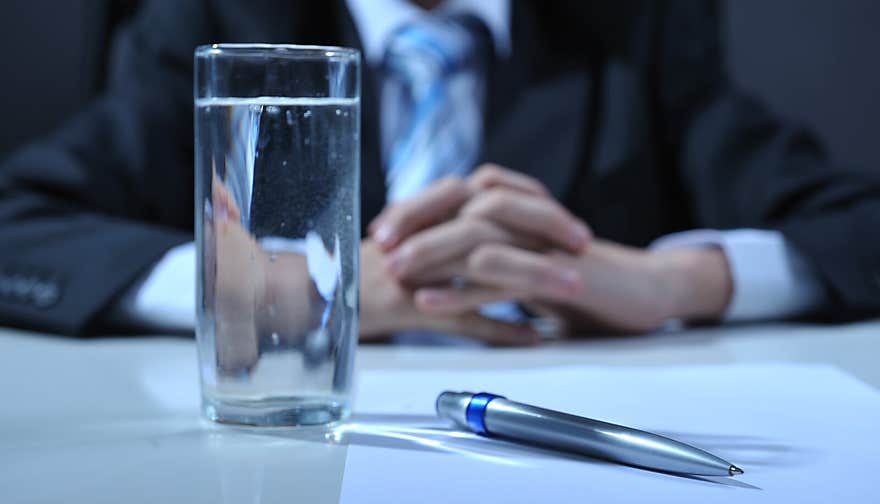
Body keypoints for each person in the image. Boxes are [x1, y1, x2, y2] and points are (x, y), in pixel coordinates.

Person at [1, 0, 878, 345]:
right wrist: (279, 288)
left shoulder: (631, 26)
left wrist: (674, 280)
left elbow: (858, 227)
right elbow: (19, 226)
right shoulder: (221, 18)